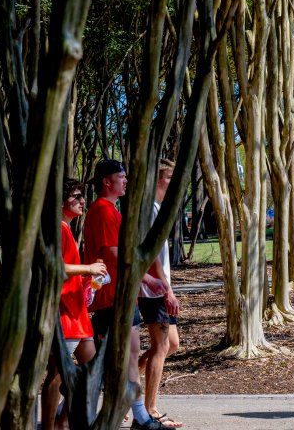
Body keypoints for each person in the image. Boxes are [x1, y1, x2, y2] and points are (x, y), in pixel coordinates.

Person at [83, 159, 170, 430]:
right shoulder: (102, 210)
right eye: (121, 177)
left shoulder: (111, 211)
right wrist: (147, 278)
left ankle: (136, 415)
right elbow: (112, 254)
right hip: (111, 298)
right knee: (113, 360)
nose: (126, 181)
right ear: (107, 181)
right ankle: (135, 416)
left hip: (121, 296)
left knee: (127, 356)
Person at [41, 179, 107, 430]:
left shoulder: (66, 229)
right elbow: (55, 267)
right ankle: (50, 426)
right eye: (77, 197)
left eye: (83, 196)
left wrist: (87, 280)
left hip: (77, 313)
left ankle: (63, 421)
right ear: (60, 202)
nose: (83, 202)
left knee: (91, 372)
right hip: (63, 313)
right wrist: (87, 268)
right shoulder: (57, 229)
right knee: (57, 374)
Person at [138, 159, 183, 428]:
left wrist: (170, 288)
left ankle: (123, 387)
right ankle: (150, 408)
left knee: (172, 344)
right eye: (170, 178)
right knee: (161, 346)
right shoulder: (149, 211)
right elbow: (152, 254)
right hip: (152, 290)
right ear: (157, 180)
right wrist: (166, 290)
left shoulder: (157, 209)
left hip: (160, 287)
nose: (174, 183)